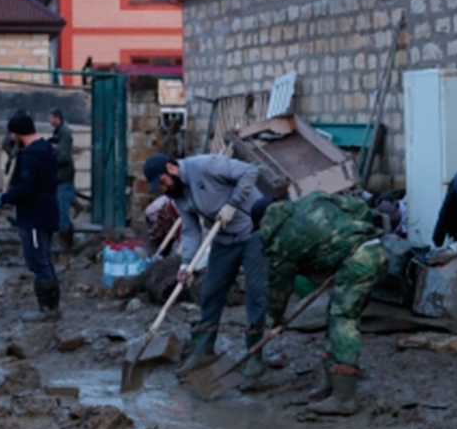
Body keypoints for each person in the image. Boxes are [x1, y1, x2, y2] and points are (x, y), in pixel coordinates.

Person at [254, 192, 389, 415]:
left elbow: (279, 286)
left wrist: (277, 317)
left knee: (343, 321)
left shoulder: (280, 241)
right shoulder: (313, 200)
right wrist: (354, 237)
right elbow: (359, 206)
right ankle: (332, 382)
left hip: (358, 263)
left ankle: (344, 398)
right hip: (376, 251)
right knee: (335, 317)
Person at [142, 152, 266, 380]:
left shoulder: (205, 166)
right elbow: (191, 231)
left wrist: (233, 204)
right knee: (210, 291)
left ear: (171, 168)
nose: (163, 188)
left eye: (162, 182)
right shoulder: (177, 195)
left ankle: (254, 356)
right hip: (224, 239)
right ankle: (203, 351)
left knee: (256, 293)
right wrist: (186, 264)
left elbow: (250, 171)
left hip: (252, 232)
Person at [0, 112, 61, 321]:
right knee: (45, 259)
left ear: (17, 133)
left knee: (38, 262)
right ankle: (53, 306)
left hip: (34, 216)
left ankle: (47, 309)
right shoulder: (47, 150)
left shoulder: (30, 157)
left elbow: (25, 189)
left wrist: (5, 198)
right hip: (48, 212)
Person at [48, 108, 76, 250]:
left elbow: (64, 156)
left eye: (50, 117)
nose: (49, 120)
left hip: (64, 176)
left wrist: (51, 156)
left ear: (57, 118)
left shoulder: (64, 132)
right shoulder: (59, 132)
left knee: (62, 210)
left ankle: (65, 244)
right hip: (60, 176)